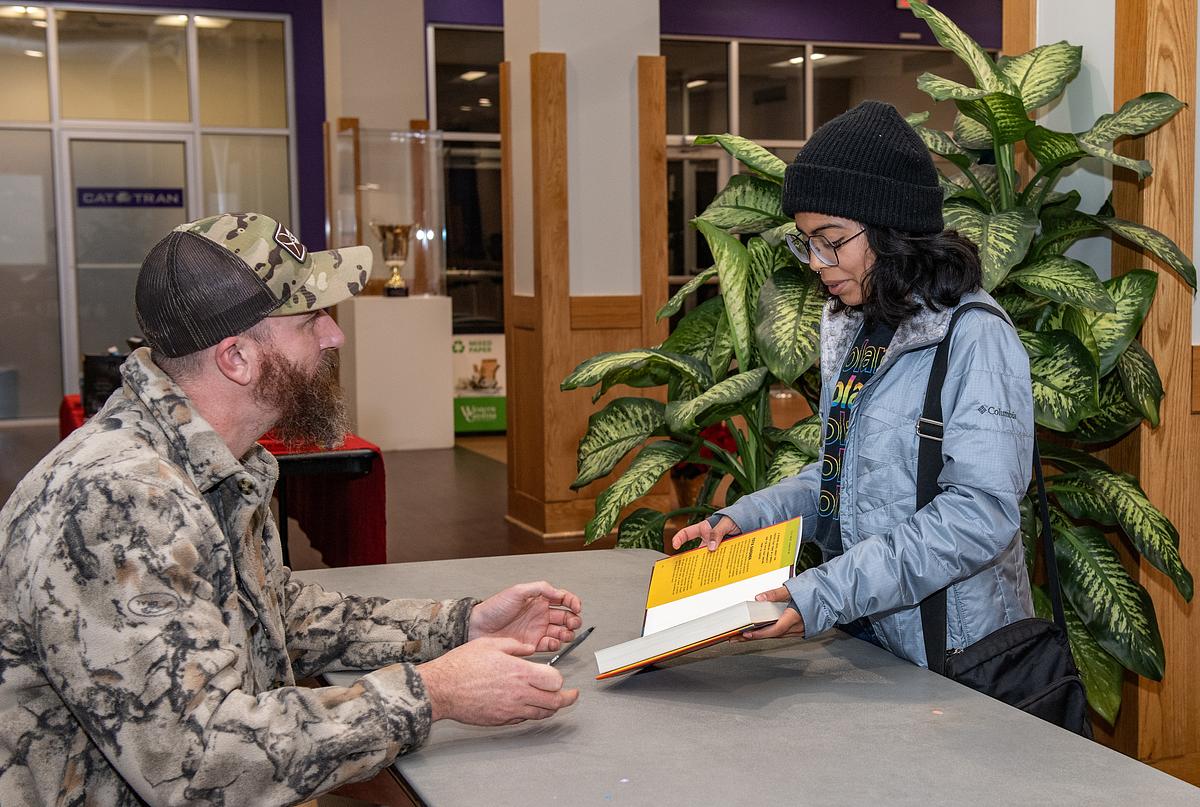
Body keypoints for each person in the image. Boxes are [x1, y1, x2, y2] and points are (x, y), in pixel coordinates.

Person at [0, 212, 583, 806]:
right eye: (310, 320)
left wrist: (461, 625)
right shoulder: (119, 504)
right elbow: (200, 766)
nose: (335, 336)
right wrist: (436, 693)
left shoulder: (212, 460)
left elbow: (277, 612)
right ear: (238, 359)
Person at [671, 100, 1035, 667]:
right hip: (872, 638)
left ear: (893, 228)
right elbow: (846, 474)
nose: (817, 262)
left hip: (955, 653)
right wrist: (747, 519)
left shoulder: (975, 338)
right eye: (806, 242)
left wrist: (825, 593)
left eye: (831, 239)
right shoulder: (856, 326)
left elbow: (978, 515)